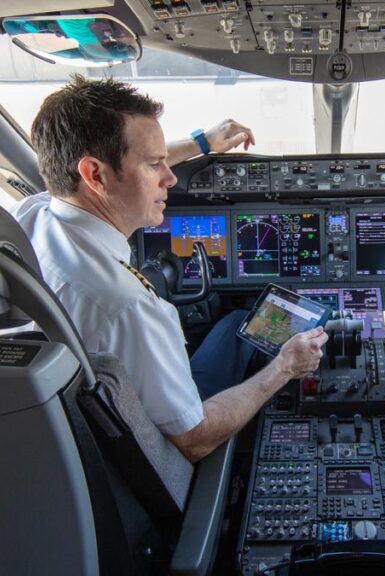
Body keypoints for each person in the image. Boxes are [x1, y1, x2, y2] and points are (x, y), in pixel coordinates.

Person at [16, 75, 327, 462]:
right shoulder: (129, 307)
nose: (171, 178)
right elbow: (195, 440)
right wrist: (284, 366)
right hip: (166, 455)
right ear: (95, 174)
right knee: (241, 324)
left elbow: (89, 173)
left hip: (52, 448)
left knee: (235, 324)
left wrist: (202, 145)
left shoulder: (32, 217)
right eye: (154, 165)